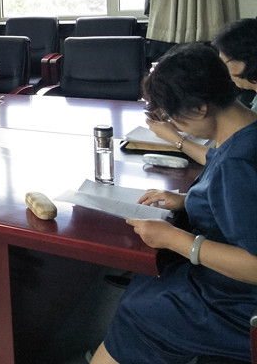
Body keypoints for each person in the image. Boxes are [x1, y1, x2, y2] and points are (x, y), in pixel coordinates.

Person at [89, 43, 257, 364]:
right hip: (229, 284)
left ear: (200, 108)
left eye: (174, 116)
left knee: (143, 307)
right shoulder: (245, 129)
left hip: (239, 303)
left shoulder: (238, 164)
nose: (175, 125)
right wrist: (186, 200)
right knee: (148, 282)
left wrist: (175, 239)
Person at [148, 18, 257, 165]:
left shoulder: (235, 161)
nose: (223, 68)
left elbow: (228, 161)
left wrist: (177, 138)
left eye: (225, 61)